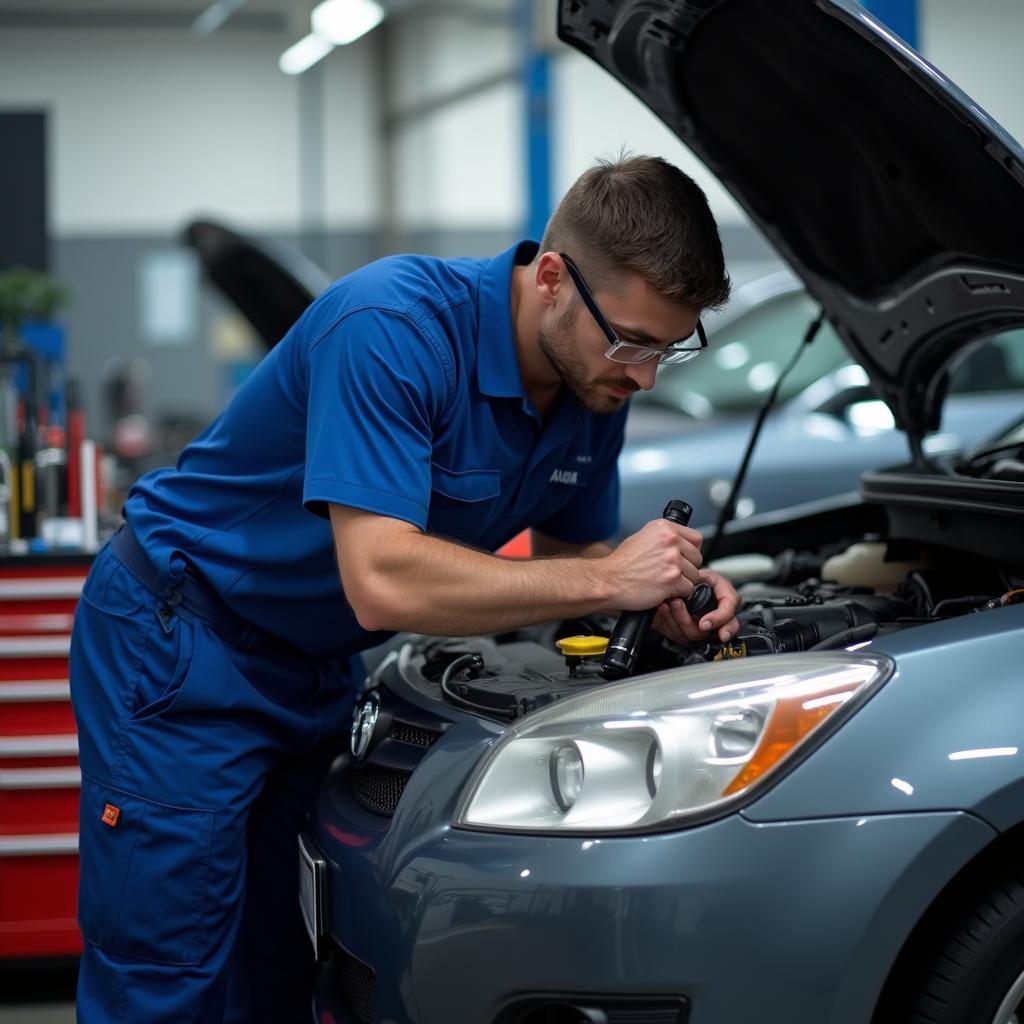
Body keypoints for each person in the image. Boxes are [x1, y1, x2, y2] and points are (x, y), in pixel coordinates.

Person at [69, 154, 740, 1022]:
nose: (644, 375)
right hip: (182, 643)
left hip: (313, 666)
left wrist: (659, 601)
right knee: (167, 977)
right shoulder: (393, 326)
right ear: (550, 279)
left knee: (281, 961)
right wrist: (612, 574)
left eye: (668, 348)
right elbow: (381, 580)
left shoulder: (590, 390)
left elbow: (577, 563)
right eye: (631, 342)